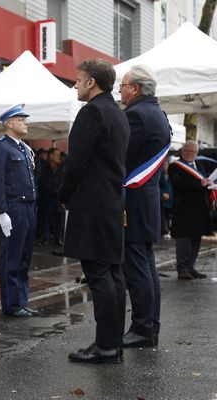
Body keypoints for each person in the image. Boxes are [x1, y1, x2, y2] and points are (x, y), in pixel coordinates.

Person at [58, 59, 129, 364]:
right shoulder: (118, 114)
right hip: (111, 202)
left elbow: (76, 163)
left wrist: (64, 195)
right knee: (112, 273)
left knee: (100, 275)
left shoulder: (92, 112)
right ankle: (112, 343)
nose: (75, 84)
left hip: (92, 204)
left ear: (91, 83)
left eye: (78, 79)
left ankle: (106, 346)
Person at [119, 65, 171, 348]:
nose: (120, 90)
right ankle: (150, 326)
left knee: (137, 267)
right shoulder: (158, 114)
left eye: (123, 85)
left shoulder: (137, 115)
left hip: (134, 200)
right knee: (147, 266)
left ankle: (142, 327)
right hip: (146, 200)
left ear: (136, 88)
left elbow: (120, 156)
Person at [0, 104, 38, 317]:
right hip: (15, 207)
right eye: (21, 119)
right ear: (9, 123)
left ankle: (21, 301)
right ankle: (12, 305)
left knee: (25, 257)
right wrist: (2, 211)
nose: (26, 122)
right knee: (12, 257)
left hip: (29, 206)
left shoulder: (23, 148)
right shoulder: (1, 147)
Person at [168, 141, 211, 280]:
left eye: (192, 152)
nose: (188, 154)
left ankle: (191, 267)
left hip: (199, 210)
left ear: (196, 153)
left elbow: (204, 182)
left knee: (196, 239)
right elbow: (179, 183)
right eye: (186, 151)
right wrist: (200, 183)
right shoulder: (175, 166)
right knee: (183, 240)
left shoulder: (200, 166)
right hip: (183, 209)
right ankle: (182, 268)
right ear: (182, 151)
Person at [38, 147, 64, 246]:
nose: (59, 157)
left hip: (58, 198)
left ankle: (58, 239)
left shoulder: (61, 167)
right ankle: (46, 238)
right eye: (56, 155)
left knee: (59, 220)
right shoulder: (44, 166)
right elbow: (41, 181)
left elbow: (63, 180)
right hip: (48, 197)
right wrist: (52, 189)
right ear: (51, 155)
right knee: (46, 219)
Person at [159, 160, 173, 237]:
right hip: (162, 199)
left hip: (170, 199)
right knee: (163, 215)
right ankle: (164, 230)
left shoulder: (171, 175)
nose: (165, 166)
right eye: (163, 165)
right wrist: (162, 194)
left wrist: (170, 195)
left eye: (166, 164)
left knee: (169, 215)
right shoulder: (159, 176)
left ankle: (168, 229)